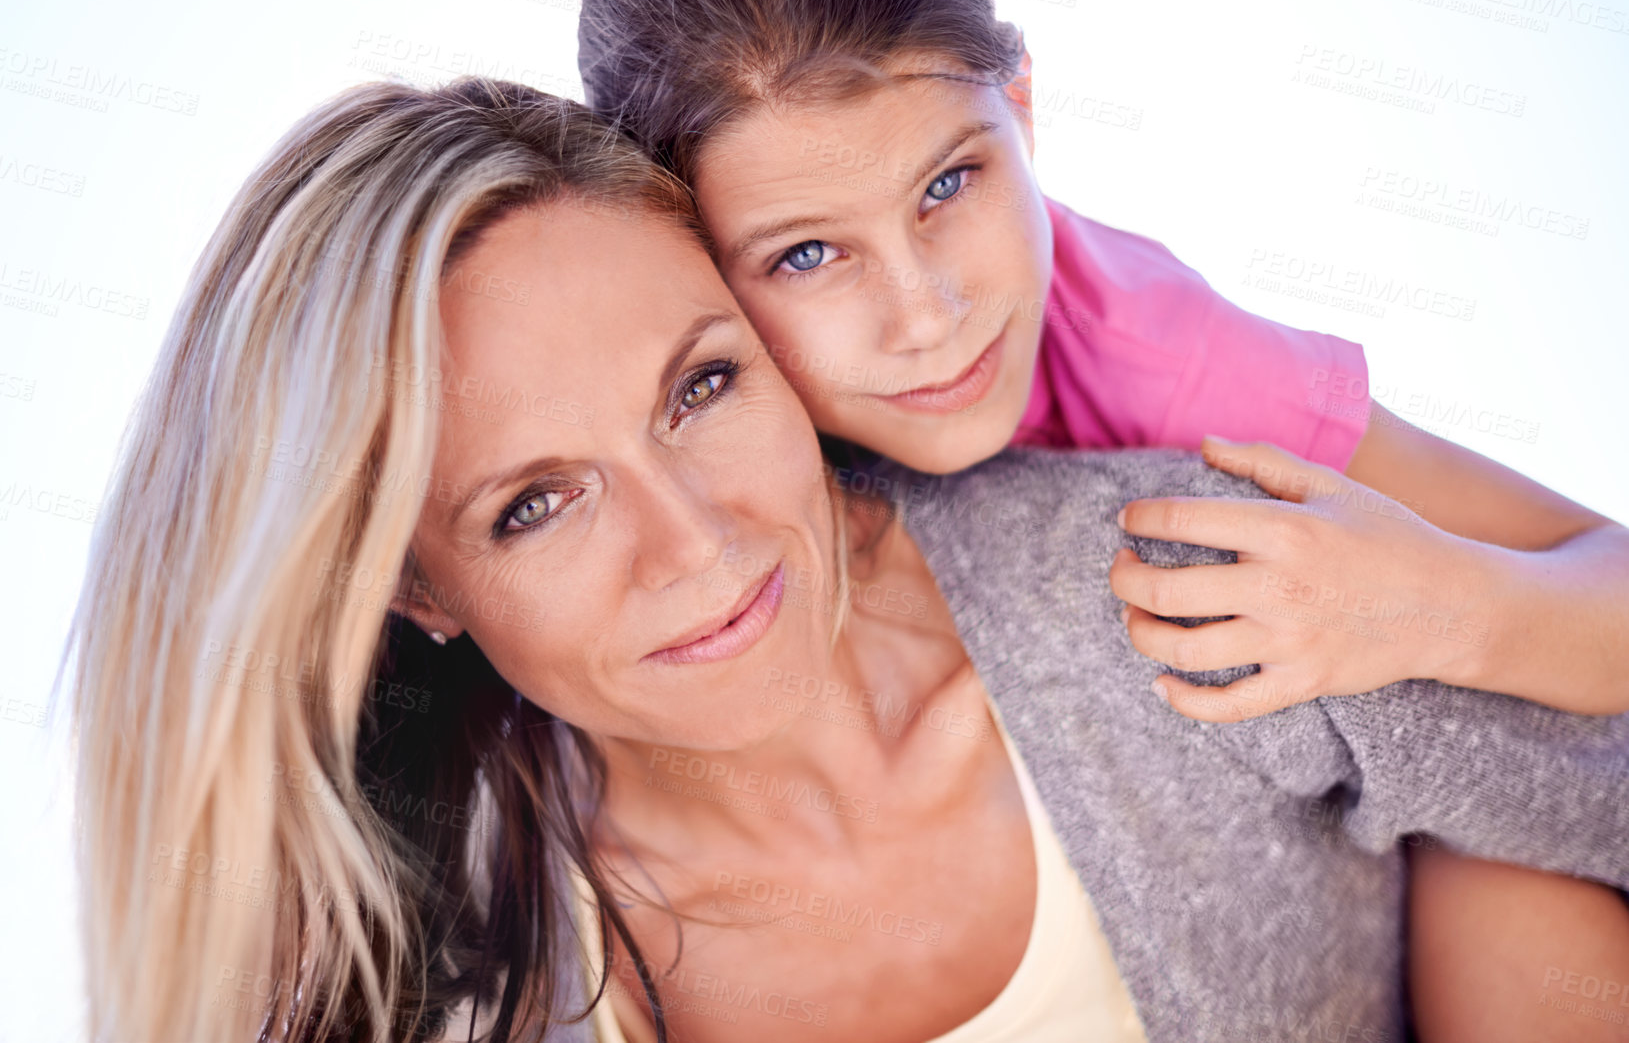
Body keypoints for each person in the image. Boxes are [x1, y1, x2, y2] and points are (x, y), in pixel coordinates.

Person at [64, 79, 1629, 1043]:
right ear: (412, 590)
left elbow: (1590, 771)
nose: (700, 543)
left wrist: (1484, 863)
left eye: (702, 387)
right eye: (535, 502)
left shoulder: (1173, 587)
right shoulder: (433, 982)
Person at [573, 0, 1629, 1031]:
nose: (929, 317)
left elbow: (1606, 582)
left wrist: (1434, 609)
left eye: (950, 183)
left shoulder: (1165, 355)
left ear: (1019, 107)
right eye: (807, 254)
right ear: (692, 268)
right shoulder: (675, 446)